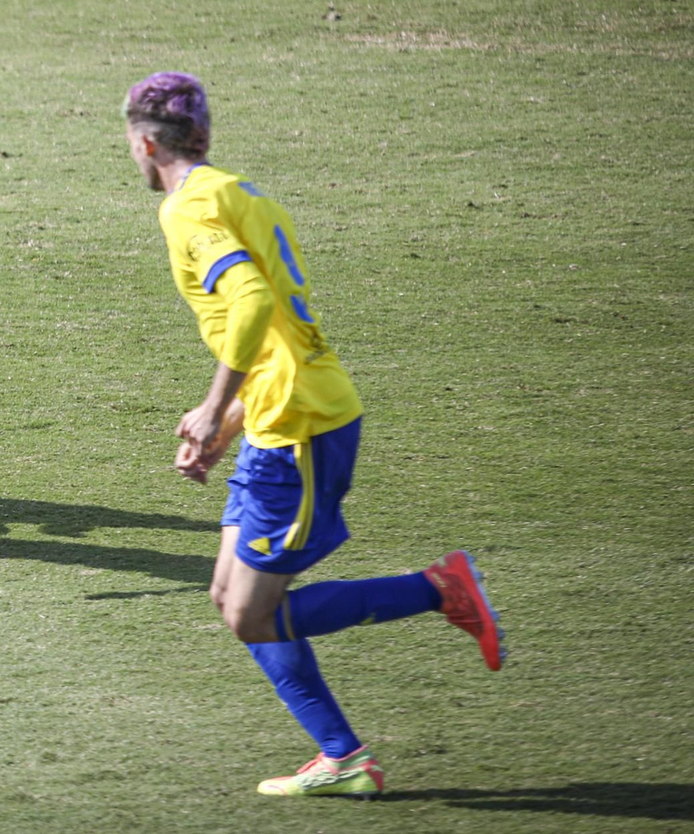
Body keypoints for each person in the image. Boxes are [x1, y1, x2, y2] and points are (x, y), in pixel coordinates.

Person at [123, 72, 504, 799]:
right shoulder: (241, 194)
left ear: (145, 143)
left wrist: (210, 407)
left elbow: (253, 300)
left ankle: (437, 588)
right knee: (227, 595)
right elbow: (278, 333)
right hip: (282, 411)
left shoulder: (187, 209)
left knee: (251, 612)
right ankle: (344, 756)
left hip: (300, 426)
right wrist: (224, 429)